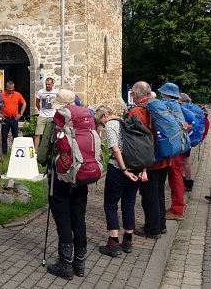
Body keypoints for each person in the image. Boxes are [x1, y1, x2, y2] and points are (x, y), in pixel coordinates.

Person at [37, 88, 87, 280]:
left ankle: (65, 265)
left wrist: (44, 162)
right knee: (79, 218)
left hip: (60, 177)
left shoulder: (55, 122)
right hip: (82, 176)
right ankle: (80, 264)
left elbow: (42, 154)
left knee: (63, 219)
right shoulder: (85, 121)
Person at [95, 105, 142, 257]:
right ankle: (128, 241)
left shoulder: (111, 125)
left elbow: (115, 150)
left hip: (118, 169)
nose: (101, 125)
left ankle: (113, 243)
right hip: (135, 166)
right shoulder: (128, 122)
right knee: (129, 203)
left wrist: (123, 170)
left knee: (111, 204)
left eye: (100, 121)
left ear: (105, 115)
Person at [130, 82, 169, 240]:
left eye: (133, 93)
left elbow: (133, 138)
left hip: (149, 162)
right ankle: (161, 225)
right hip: (164, 157)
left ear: (136, 94)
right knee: (159, 193)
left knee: (149, 195)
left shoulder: (137, 111)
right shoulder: (159, 106)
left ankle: (152, 229)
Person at [157, 82, 186, 220]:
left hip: (172, 147)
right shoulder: (180, 105)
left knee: (175, 178)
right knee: (176, 177)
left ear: (165, 93)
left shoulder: (166, 104)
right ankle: (178, 206)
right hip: (180, 145)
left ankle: (177, 210)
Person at [0, 81, 26, 157]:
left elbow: (24, 103)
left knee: (15, 136)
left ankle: (16, 152)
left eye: (12, 89)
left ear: (14, 88)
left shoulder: (17, 95)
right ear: (6, 87)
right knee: (4, 136)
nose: (10, 90)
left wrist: (20, 114)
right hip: (5, 118)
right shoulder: (1, 95)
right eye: (9, 89)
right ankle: (4, 152)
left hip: (14, 119)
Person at [34, 77, 58, 152]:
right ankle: (35, 151)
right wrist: (40, 110)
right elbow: (37, 103)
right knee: (37, 133)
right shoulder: (40, 92)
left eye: (49, 84)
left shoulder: (56, 92)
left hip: (52, 115)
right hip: (42, 115)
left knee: (51, 134)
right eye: (46, 84)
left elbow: (58, 103)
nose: (47, 86)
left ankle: (50, 150)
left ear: (52, 84)